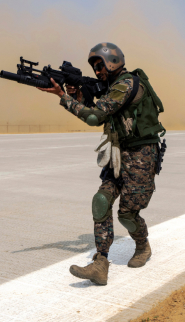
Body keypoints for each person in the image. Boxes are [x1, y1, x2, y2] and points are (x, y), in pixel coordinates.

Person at [35, 42, 165, 285]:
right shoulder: (108, 86)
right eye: (94, 67)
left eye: (100, 65)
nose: (97, 71)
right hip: (117, 151)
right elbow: (91, 105)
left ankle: (143, 246)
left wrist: (63, 97)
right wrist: (77, 94)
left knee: (127, 214)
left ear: (113, 61)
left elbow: (95, 117)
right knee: (101, 201)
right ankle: (100, 263)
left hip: (141, 155)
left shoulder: (125, 85)